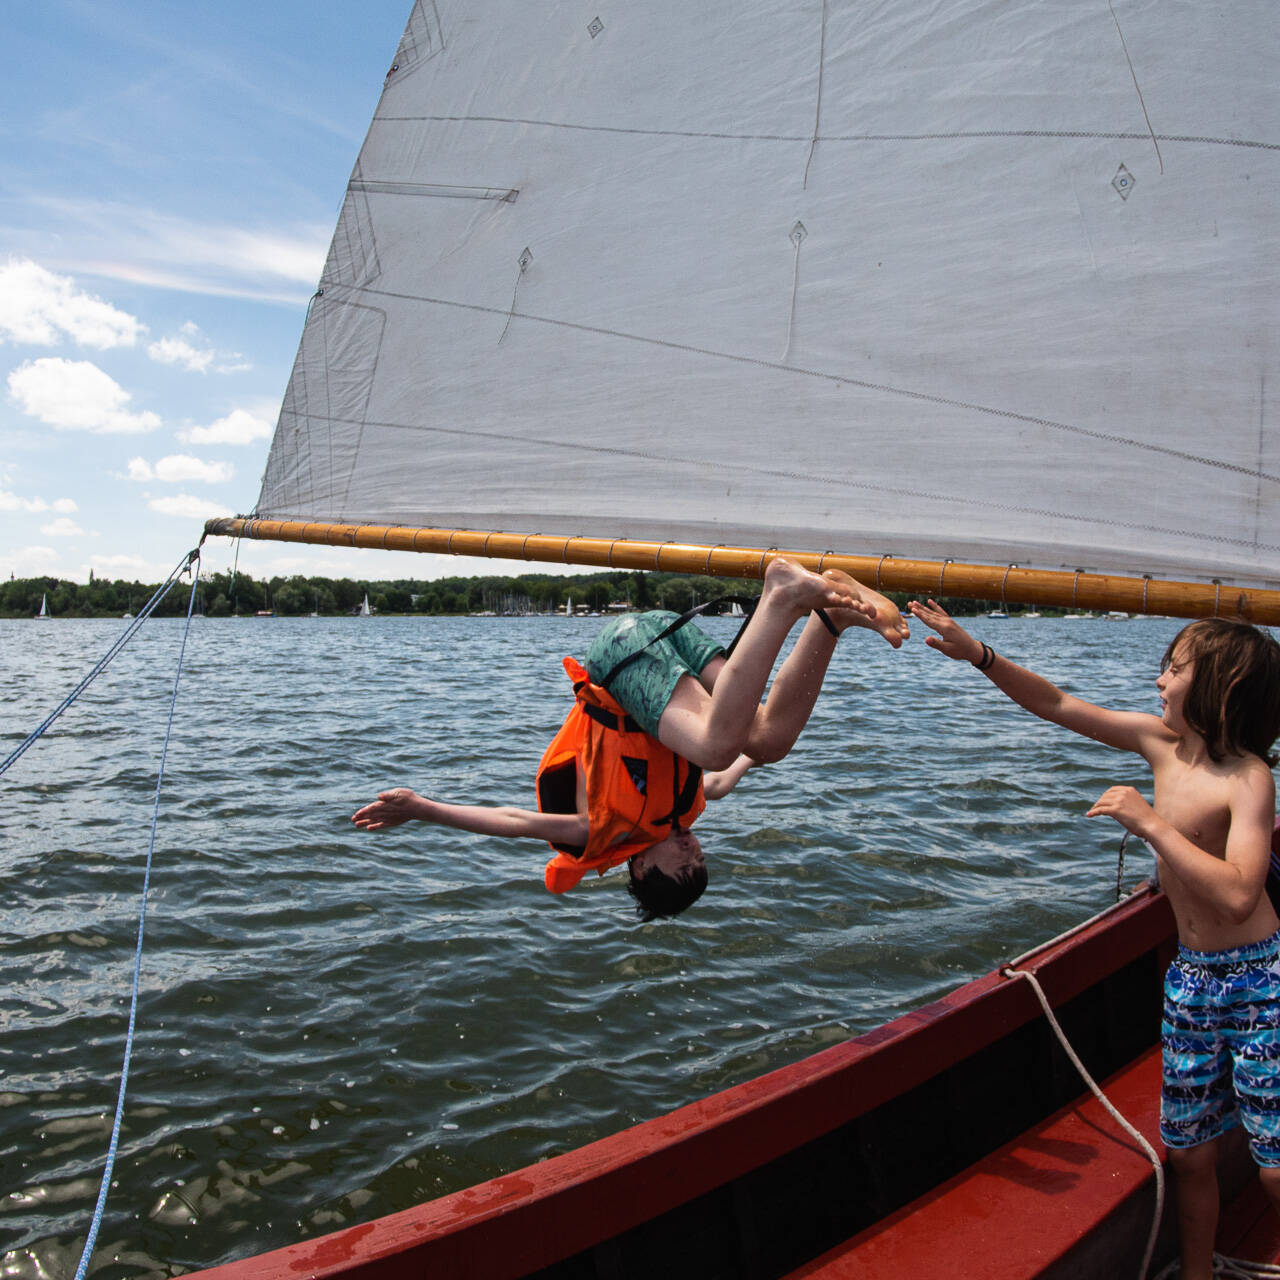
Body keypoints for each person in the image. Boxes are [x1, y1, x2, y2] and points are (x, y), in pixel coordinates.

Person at [909, 598, 1280, 1280]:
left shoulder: (1250, 778)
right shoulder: (1157, 742)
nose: (1159, 680)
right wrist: (980, 655)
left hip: (1260, 978)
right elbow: (1056, 702)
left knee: (1276, 1162)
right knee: (1190, 1153)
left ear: (1220, 686)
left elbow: (1238, 895)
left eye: (1173, 668)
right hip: (1193, 978)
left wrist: (1152, 825)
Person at [353, 559, 909, 920]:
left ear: (642, 869)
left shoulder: (599, 831)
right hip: (667, 639)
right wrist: (756, 760)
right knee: (765, 741)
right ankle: (829, 618)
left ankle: (782, 594)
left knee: (719, 743)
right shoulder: (689, 807)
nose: (693, 851)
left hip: (622, 653)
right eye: (701, 862)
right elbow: (727, 776)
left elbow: (516, 822)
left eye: (681, 866)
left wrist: (423, 809)